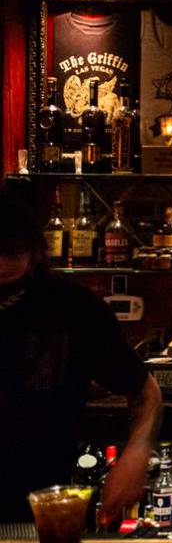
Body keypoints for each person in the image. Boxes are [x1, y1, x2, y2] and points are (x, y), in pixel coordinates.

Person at [0, 188, 163, 525]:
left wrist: (136, 455)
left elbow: (145, 392)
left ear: (33, 251)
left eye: (11, 253)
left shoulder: (71, 306)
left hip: (42, 509)